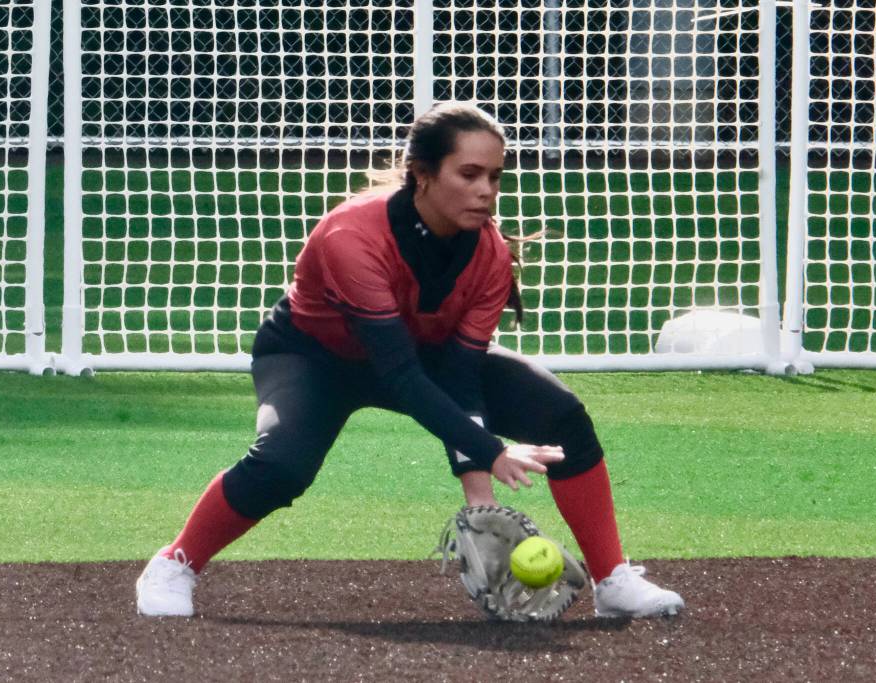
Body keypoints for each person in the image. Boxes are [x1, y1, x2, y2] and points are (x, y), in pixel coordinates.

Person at [135, 102, 684, 620]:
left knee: (560, 414)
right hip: (315, 358)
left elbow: (458, 373)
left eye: (494, 177)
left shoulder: (490, 255)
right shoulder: (353, 234)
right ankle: (175, 562)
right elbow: (400, 375)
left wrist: (480, 501)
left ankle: (612, 580)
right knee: (282, 466)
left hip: (424, 357)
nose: (486, 191)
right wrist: (490, 452)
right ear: (422, 173)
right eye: (468, 174)